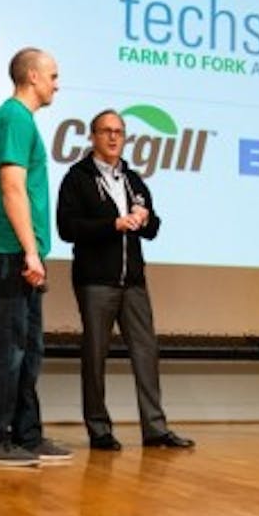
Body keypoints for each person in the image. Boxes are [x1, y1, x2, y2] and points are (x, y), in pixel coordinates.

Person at [56, 108, 194, 451]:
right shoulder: (77, 178)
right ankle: (99, 430)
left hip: (133, 283)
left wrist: (145, 220)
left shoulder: (134, 180)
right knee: (95, 356)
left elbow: (154, 230)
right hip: (95, 282)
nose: (114, 137)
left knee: (146, 353)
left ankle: (155, 429)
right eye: (106, 131)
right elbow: (67, 228)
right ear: (93, 137)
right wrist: (112, 225)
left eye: (119, 131)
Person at [0, 47, 73, 468]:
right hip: (8, 249)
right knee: (8, 347)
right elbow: (12, 187)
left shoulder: (22, 120)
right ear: (31, 76)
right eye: (52, 75)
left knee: (29, 349)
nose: (57, 83)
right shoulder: (13, 117)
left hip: (22, 251)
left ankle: (26, 435)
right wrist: (30, 251)